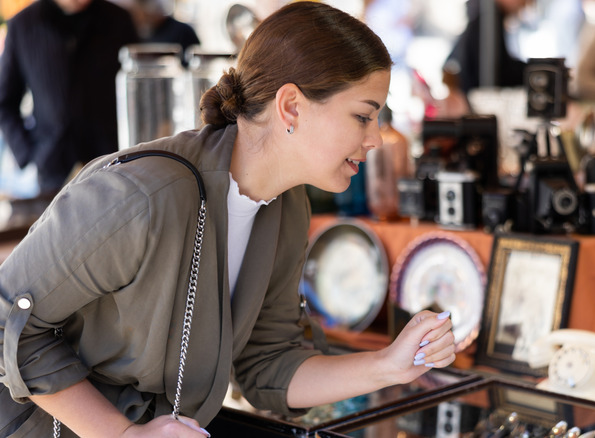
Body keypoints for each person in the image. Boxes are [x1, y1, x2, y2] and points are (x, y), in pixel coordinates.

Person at [0, 2, 456, 437]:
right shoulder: (143, 196)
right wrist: (119, 432)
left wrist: (389, 365)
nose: (375, 139)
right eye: (363, 116)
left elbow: (269, 365)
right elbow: (8, 321)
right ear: (291, 106)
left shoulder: (286, 207)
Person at [0, 0, 139, 198]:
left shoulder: (119, 19)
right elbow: (5, 102)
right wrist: (28, 154)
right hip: (53, 168)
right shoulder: (23, 25)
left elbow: (136, 91)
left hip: (112, 163)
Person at [443, 0, 530, 99]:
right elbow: (501, 71)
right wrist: (532, 71)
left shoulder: (480, 16)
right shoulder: (488, 20)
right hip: (477, 101)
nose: (525, 4)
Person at [124, 0, 200, 66]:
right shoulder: (145, 33)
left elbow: (192, 62)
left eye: (139, 13)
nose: (136, 18)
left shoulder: (182, 31)